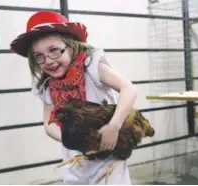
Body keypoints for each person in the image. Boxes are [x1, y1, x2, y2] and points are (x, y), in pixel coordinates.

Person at [10, 11, 137, 185]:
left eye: (54, 50)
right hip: (75, 162)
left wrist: (114, 127)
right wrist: (77, 142)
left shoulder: (92, 67)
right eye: (39, 56)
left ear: (71, 46)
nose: (48, 60)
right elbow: (49, 124)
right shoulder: (47, 85)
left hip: (109, 157)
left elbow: (128, 89)